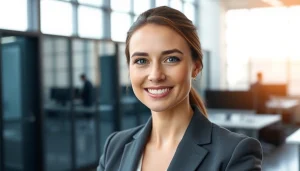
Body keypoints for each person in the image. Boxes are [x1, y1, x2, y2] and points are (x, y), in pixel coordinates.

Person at [97, 6, 262, 171]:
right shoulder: (114, 147)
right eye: (141, 61)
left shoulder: (234, 153)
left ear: (196, 67)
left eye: (171, 59)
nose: (155, 75)